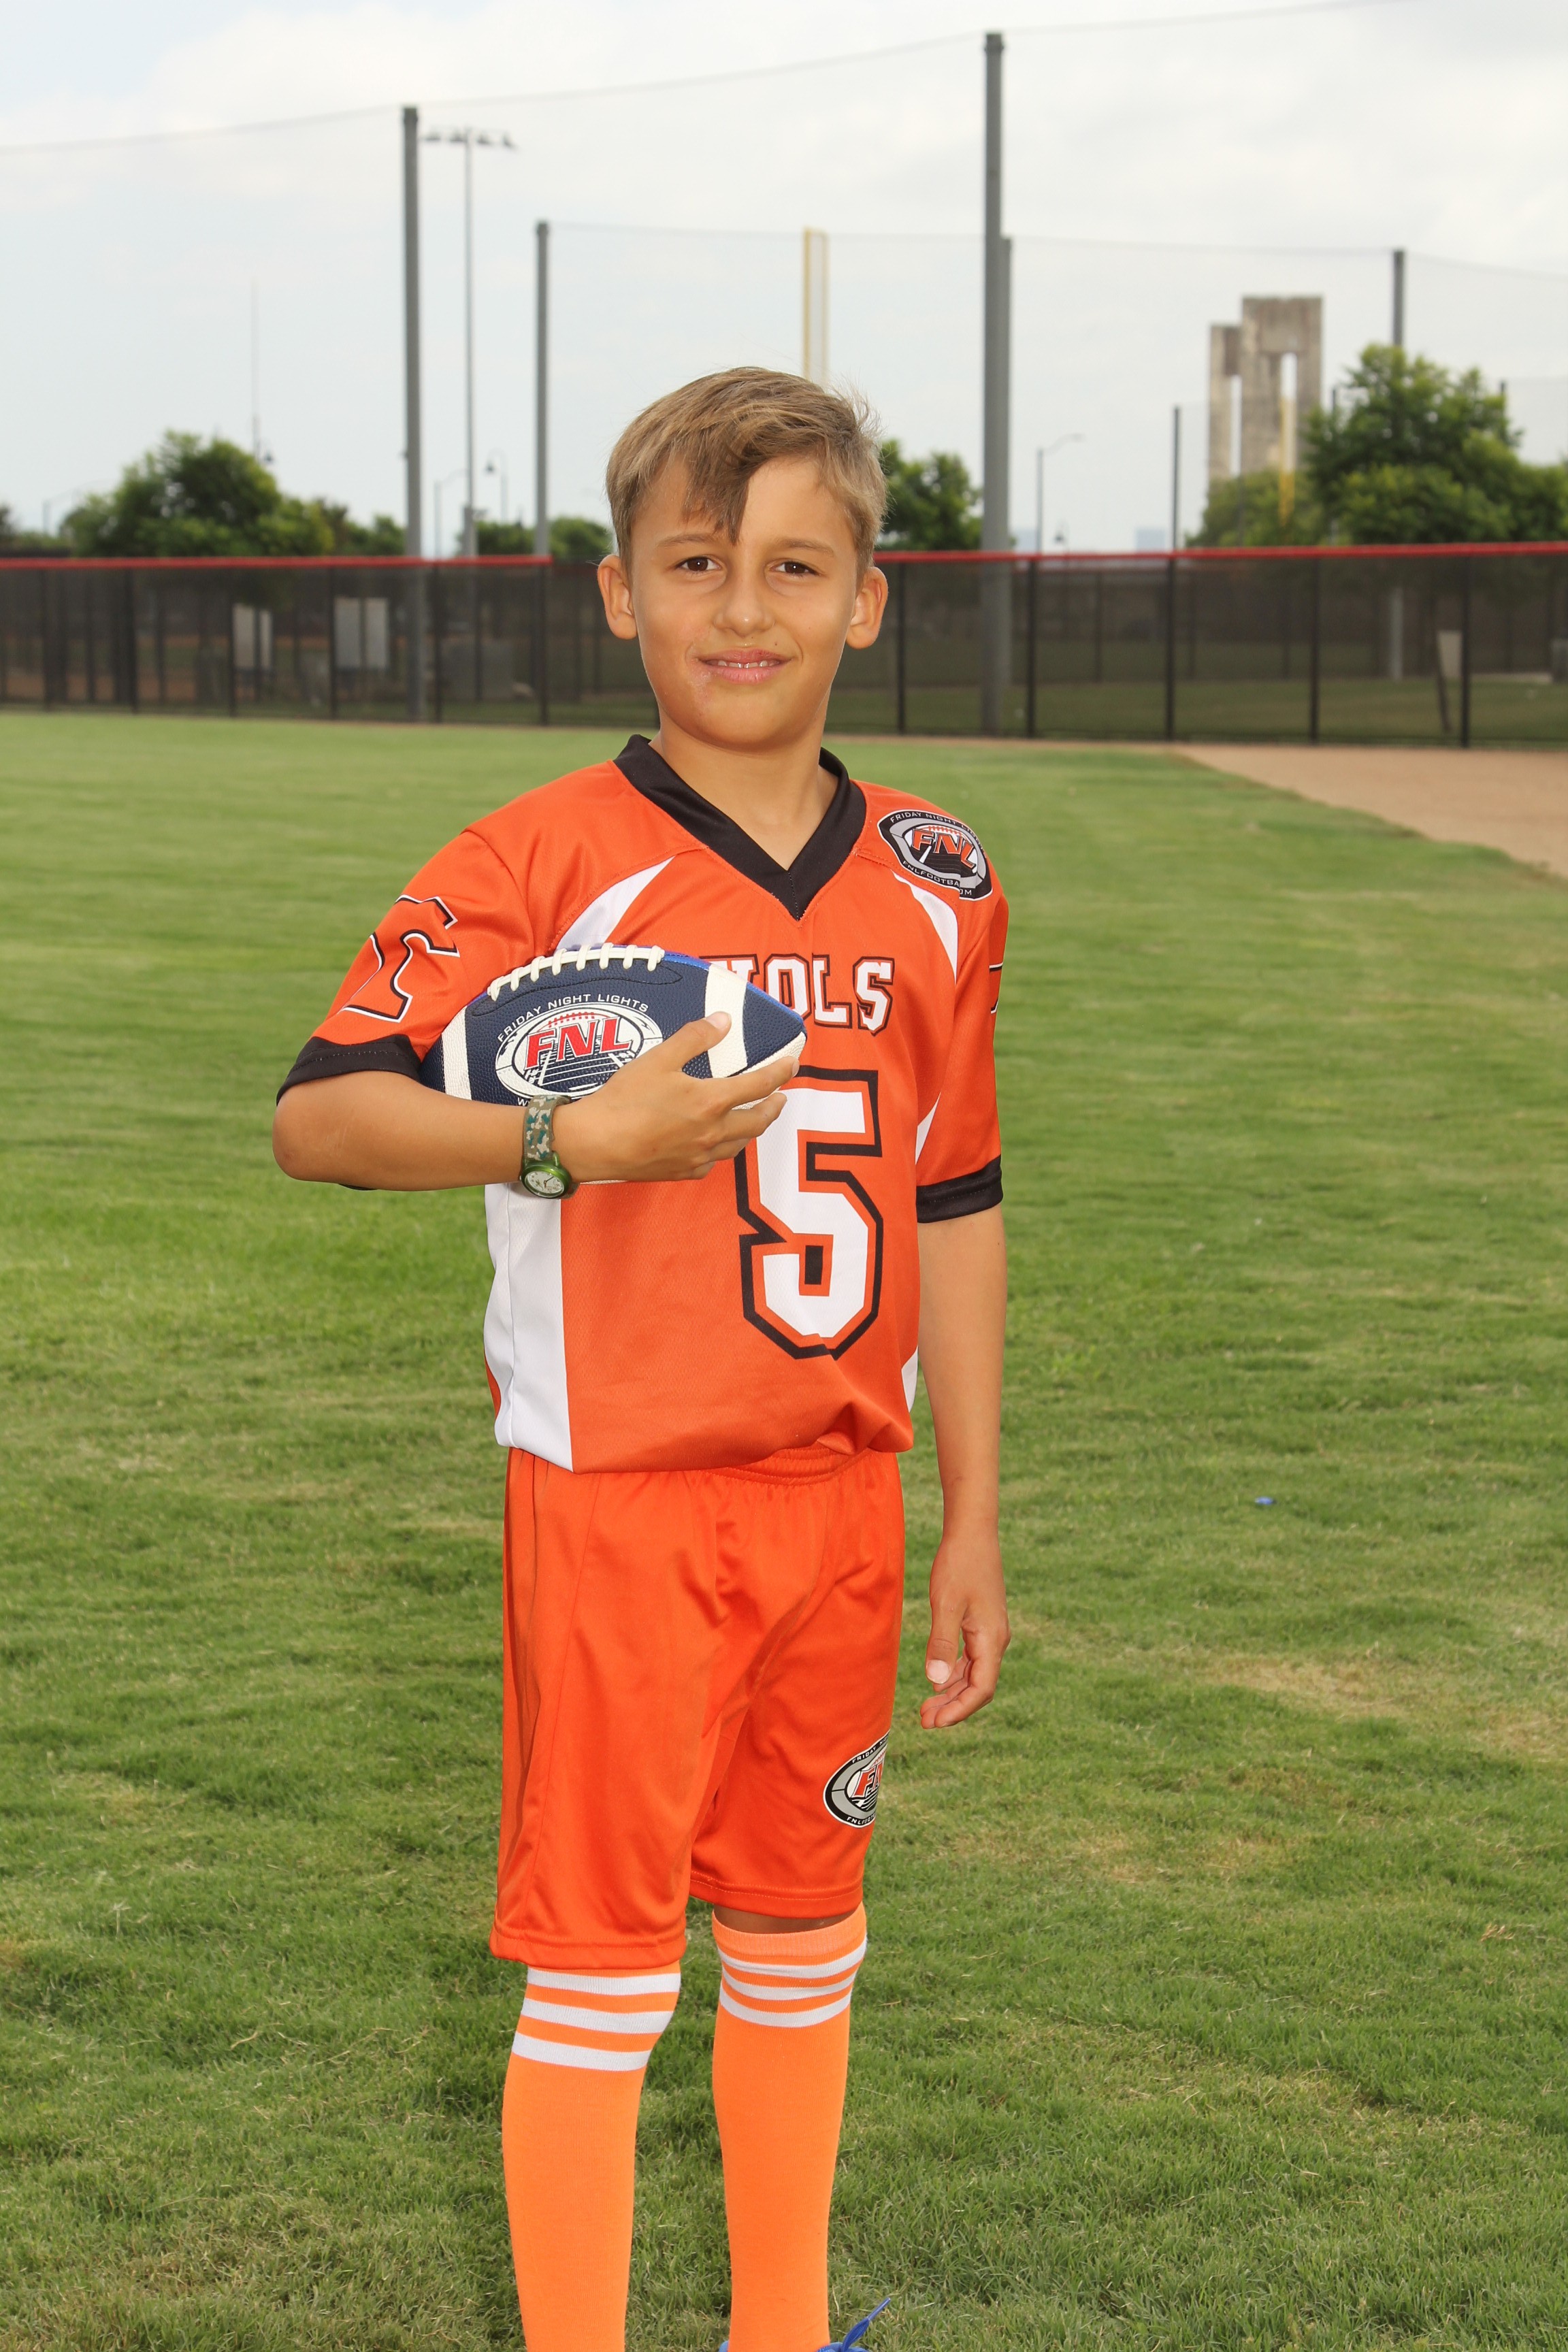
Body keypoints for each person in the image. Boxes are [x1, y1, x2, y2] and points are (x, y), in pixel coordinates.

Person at [272, 367, 1010, 2352]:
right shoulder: (536, 862)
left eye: (794, 566)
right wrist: (560, 1139)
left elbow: (955, 1201)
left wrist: (972, 1516)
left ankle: (782, 2331)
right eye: (695, 564)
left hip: (844, 1504)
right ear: (620, 595)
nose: (742, 608)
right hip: (619, 1507)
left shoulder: (942, 877)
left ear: (869, 598)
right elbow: (321, 1116)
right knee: (603, 1977)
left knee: (805, 1945)